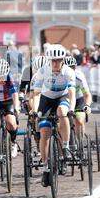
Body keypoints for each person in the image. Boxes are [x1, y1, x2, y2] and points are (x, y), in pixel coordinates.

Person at [32, 44, 76, 187]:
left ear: (63, 60)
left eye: (58, 60)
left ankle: (65, 146)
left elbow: (72, 94)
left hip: (62, 98)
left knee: (62, 112)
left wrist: (72, 109)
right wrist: (36, 111)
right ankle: (45, 167)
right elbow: (37, 94)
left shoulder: (69, 72)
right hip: (46, 99)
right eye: (53, 60)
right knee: (44, 132)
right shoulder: (42, 71)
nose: (56, 63)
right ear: (48, 60)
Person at [0, 59, 20, 158]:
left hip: (7, 101)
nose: (1, 80)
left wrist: (16, 108)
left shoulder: (10, 78)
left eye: (3, 77)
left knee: (11, 122)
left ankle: (13, 143)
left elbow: (15, 94)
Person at [64, 56, 92, 143]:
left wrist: (87, 106)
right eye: (67, 68)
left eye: (72, 67)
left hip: (78, 99)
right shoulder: (60, 76)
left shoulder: (79, 76)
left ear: (75, 67)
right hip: (65, 99)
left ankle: (79, 143)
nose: (70, 70)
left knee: (79, 119)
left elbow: (87, 94)